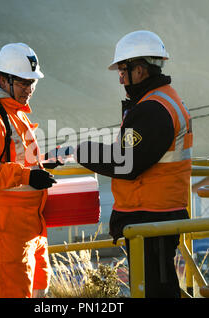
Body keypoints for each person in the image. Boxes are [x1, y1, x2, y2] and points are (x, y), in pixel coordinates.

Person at [75, 30, 193, 298]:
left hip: (151, 216)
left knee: (156, 291)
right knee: (159, 287)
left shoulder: (153, 109)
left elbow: (126, 162)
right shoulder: (163, 99)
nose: (120, 77)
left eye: (123, 70)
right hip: (159, 212)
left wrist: (82, 152)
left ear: (139, 70)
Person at [0, 43, 56, 298]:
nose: (29, 90)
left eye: (32, 83)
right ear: (3, 79)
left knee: (39, 287)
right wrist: (29, 176)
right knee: (11, 292)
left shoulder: (17, 114)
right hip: (8, 228)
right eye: (23, 83)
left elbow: (17, 158)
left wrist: (43, 165)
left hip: (32, 226)